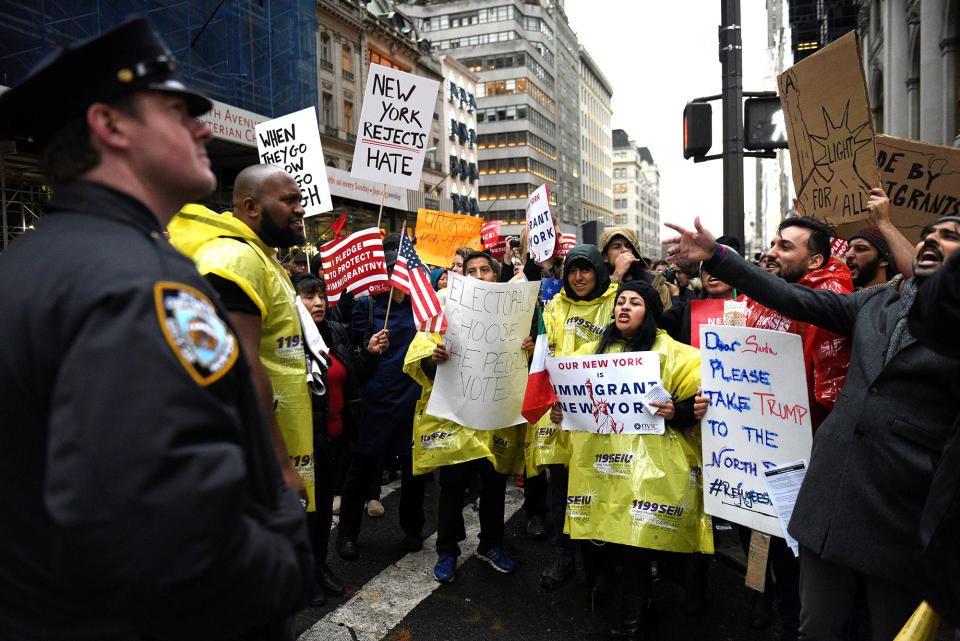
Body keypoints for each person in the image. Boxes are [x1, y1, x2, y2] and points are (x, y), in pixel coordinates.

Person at [0, 18, 313, 639]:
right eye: (175, 109)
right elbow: (168, 528)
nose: (201, 126)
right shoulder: (137, 281)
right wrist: (284, 556)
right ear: (109, 126)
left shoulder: (38, 260)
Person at [664, 214, 960, 641]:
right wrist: (718, 257)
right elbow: (790, 298)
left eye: (949, 237)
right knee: (815, 627)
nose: (932, 239)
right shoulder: (876, 303)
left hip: (902, 509)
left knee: (893, 632)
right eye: (928, 234)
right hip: (829, 495)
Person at [557, 281, 712, 639]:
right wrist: (561, 412)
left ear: (651, 312)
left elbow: (696, 404)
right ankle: (614, 593)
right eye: (621, 301)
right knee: (602, 536)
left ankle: (633, 614)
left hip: (649, 466)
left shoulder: (675, 353)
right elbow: (570, 399)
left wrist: (677, 410)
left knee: (634, 541)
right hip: (600, 461)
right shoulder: (589, 353)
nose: (624, 307)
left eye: (635, 302)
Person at [168, 164, 314, 508]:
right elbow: (240, 365)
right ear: (251, 207)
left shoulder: (257, 255)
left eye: (300, 199)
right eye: (289, 200)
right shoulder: (234, 258)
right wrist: (280, 465)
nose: (301, 209)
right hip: (255, 456)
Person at [405, 251, 530, 583]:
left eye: (485, 269)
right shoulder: (444, 305)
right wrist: (435, 357)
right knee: (452, 485)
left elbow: (529, 356)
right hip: (456, 415)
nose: (478, 274)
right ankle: (447, 550)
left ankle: (491, 544)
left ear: (496, 274)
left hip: (495, 413)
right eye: (471, 270)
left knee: (493, 483)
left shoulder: (514, 308)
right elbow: (422, 359)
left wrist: (530, 347)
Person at [292, 273, 388, 606]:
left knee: (320, 517)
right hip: (304, 442)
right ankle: (300, 576)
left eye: (321, 295)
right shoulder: (288, 338)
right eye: (308, 296)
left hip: (336, 438)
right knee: (303, 514)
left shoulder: (334, 332)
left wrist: (371, 353)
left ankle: (319, 567)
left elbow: (353, 374)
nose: (318, 302)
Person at [532, 244, 619, 591]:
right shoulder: (554, 307)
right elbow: (544, 354)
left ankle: (604, 566)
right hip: (561, 417)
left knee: (602, 490)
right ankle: (563, 554)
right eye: (572, 270)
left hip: (602, 419)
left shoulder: (617, 302)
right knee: (562, 494)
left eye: (585, 270)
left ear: (599, 271)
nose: (578, 277)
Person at [337, 251, 426, 560]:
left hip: (411, 398)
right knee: (359, 471)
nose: (398, 281)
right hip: (374, 401)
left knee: (414, 473)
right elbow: (356, 352)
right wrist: (371, 346)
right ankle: (347, 533)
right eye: (393, 274)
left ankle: (413, 530)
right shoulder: (369, 307)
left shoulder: (422, 309)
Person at [597, 226, 672, 311]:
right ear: (605, 257)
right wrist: (617, 275)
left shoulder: (655, 283)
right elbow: (600, 314)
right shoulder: (596, 285)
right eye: (617, 247)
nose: (625, 250)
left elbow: (667, 320)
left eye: (628, 246)